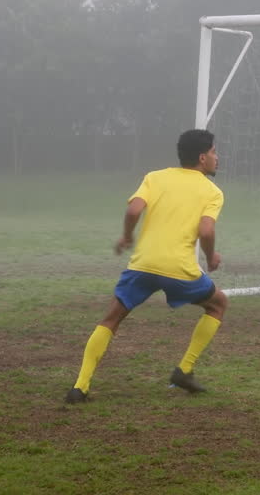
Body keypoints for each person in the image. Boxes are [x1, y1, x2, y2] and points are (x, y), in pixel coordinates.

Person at [64, 129, 228, 403]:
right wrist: (211, 257)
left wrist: (127, 236)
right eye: (213, 152)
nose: (216, 157)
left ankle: (80, 387)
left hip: (142, 265)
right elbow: (207, 231)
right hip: (179, 270)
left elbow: (132, 210)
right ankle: (184, 370)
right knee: (218, 304)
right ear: (202, 157)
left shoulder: (155, 177)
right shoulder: (212, 192)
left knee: (111, 319)